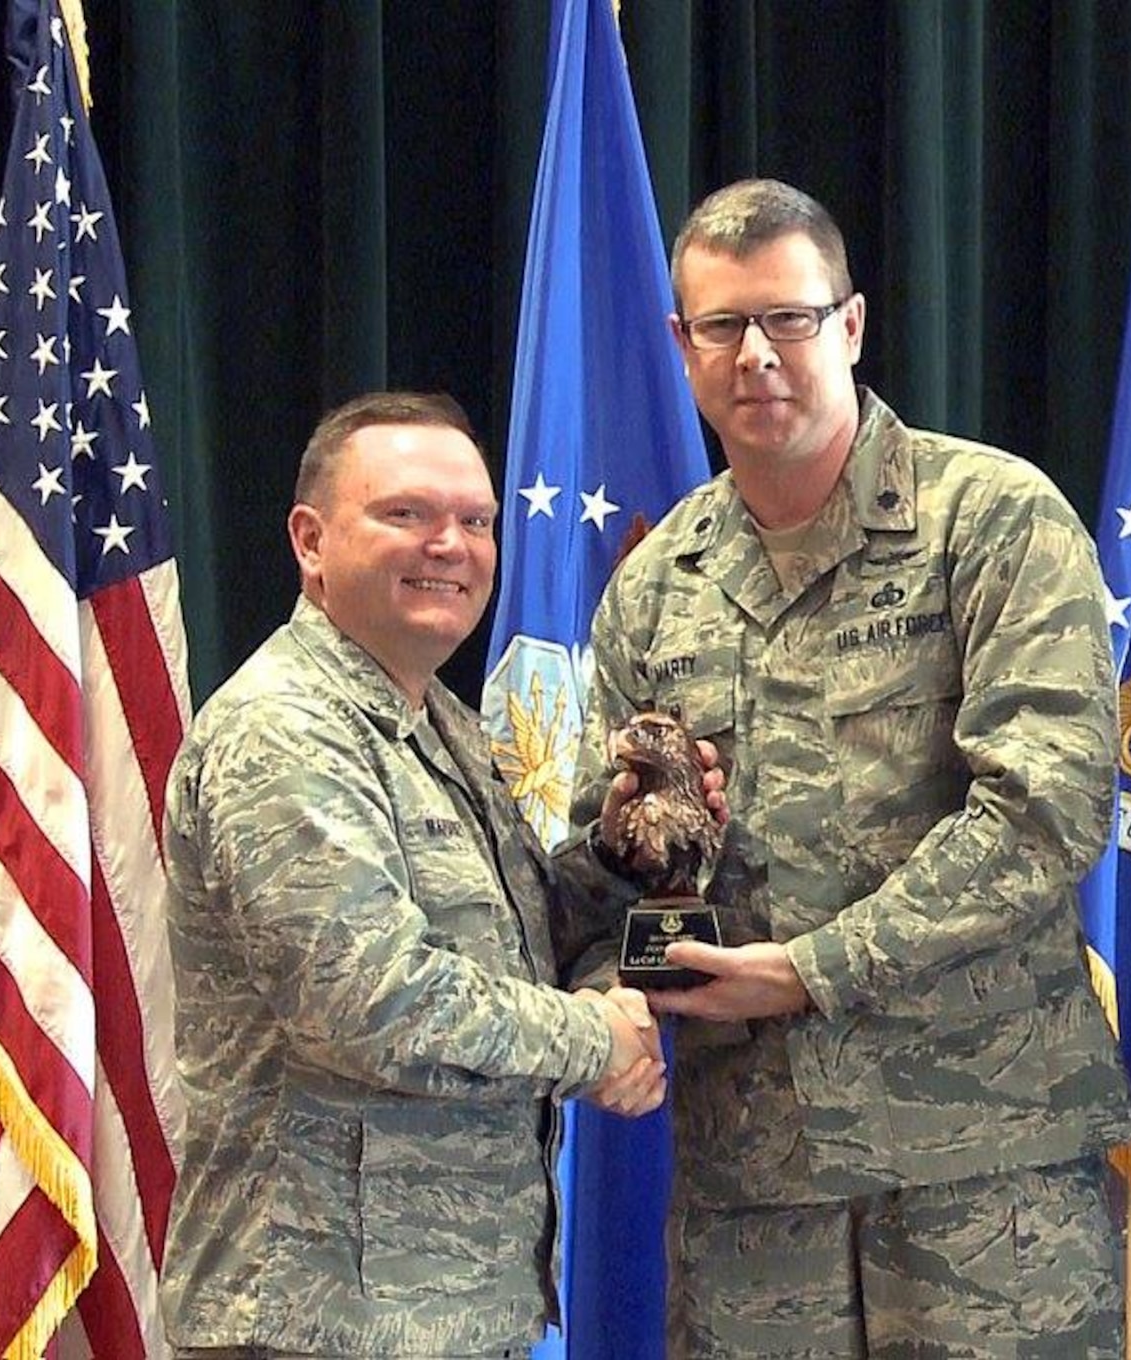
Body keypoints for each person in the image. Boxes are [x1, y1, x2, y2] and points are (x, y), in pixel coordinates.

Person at [563, 178, 1131, 1357]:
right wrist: (637, 854)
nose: (756, 354)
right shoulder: (654, 583)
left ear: (852, 325)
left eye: (790, 318)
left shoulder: (989, 518)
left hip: (984, 1166)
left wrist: (813, 969)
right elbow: (610, 872)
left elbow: (1045, 805)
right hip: (752, 1184)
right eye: (721, 326)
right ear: (681, 345)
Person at [160, 392, 711, 1358]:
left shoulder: (438, 726)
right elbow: (370, 999)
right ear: (311, 540)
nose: (450, 544)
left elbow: (524, 939)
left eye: (476, 520)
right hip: (317, 1324)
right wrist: (597, 1038)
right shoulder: (285, 731)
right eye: (406, 514)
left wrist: (625, 855)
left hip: (447, 1314)